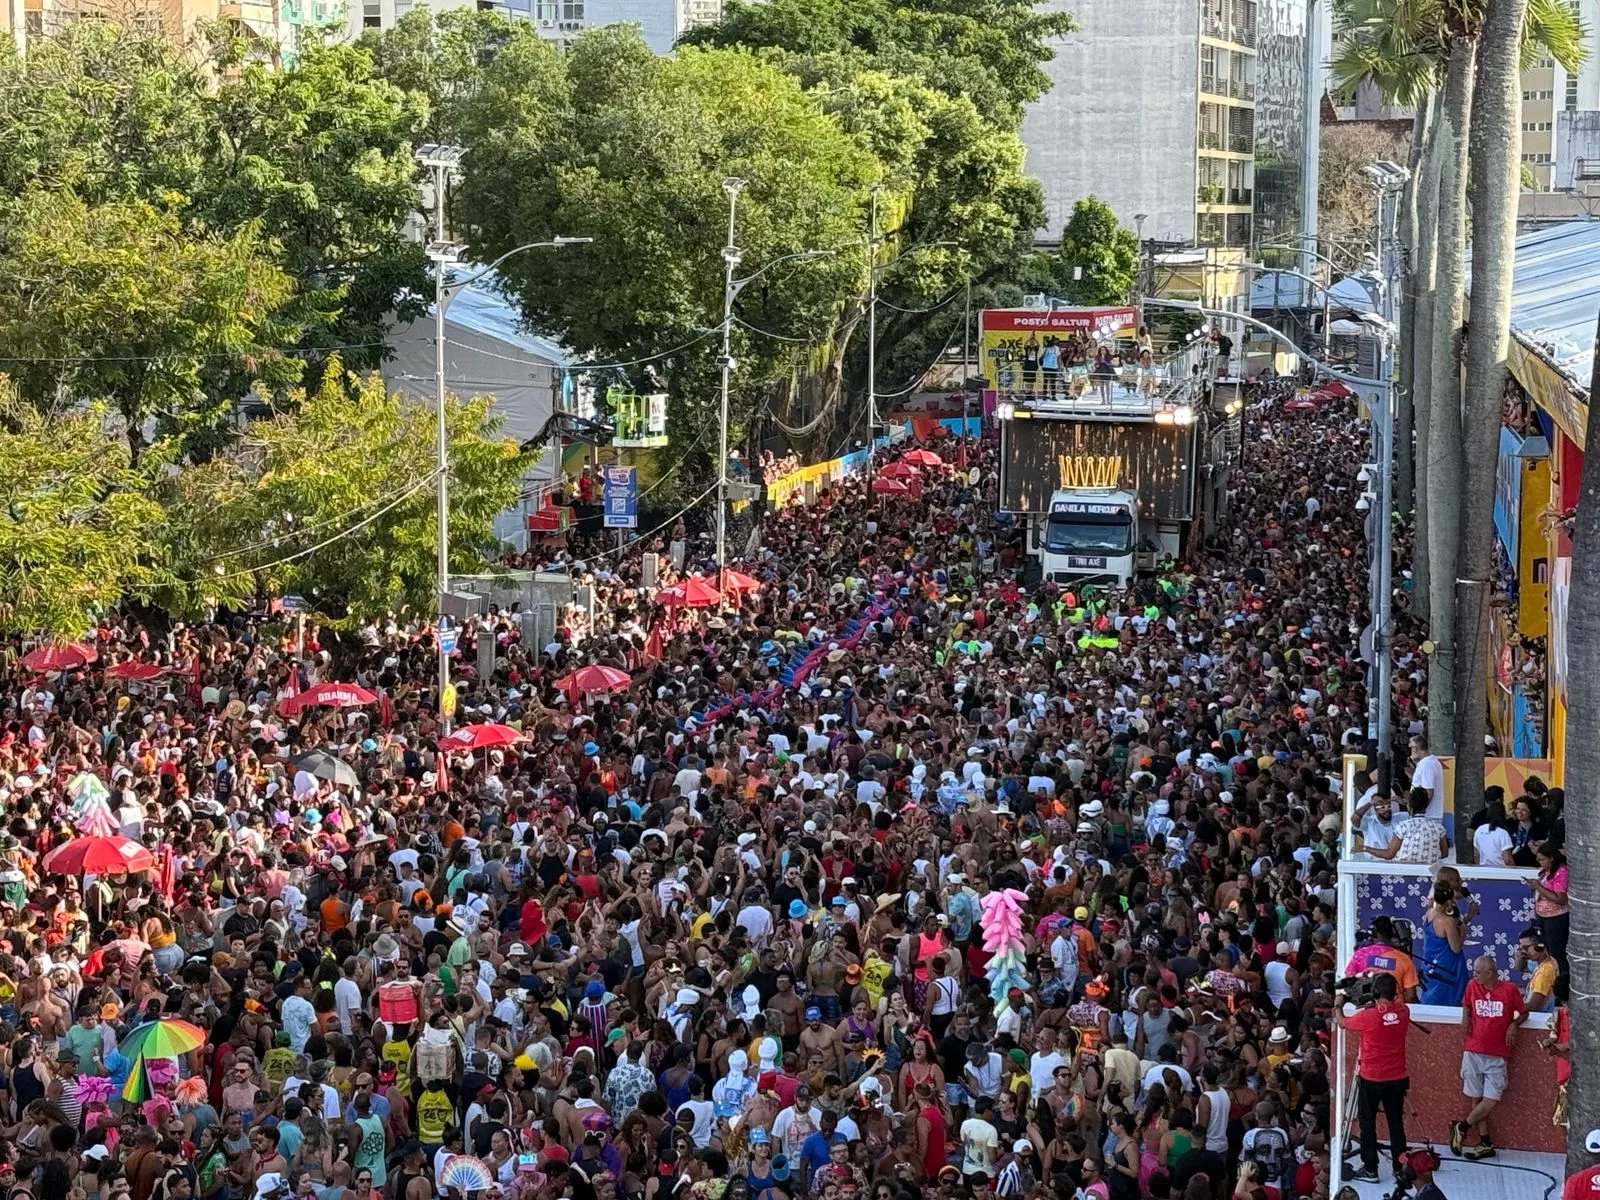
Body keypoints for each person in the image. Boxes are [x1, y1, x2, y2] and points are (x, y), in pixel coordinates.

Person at [1336, 973, 1413, 1182]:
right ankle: (1400, 1167)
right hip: (1397, 1078)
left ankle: (1370, 1169)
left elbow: (1342, 1022)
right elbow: (1391, 1012)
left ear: (1376, 992)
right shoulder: (1404, 1012)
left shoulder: (1367, 1016)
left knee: (1367, 1124)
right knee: (1396, 1123)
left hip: (1371, 1078)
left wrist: (1337, 1005)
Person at [1452, 955, 1527, 1160]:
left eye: (1478, 972)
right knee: (1476, 1098)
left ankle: (1461, 1126)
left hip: (1497, 1054)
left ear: (1490, 972)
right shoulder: (1471, 986)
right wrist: (1465, 1019)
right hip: (1473, 1049)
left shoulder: (1509, 990)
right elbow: (1467, 1005)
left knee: (1491, 1099)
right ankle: (1485, 1142)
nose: (1474, 975)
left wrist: (1514, 1024)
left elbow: (1524, 1012)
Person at [1417, 879, 1471, 1006]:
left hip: (1430, 960)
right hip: (1447, 966)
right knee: (1449, 998)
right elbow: (1456, 947)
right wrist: (1463, 930)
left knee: (1431, 992)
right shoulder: (1446, 921)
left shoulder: (1429, 913)